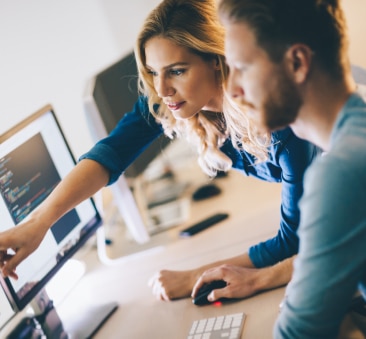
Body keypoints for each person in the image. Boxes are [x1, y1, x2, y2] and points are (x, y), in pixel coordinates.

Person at [0, 0, 318, 304]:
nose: (162, 89)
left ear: (217, 60)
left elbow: (294, 242)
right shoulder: (174, 101)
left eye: (177, 70)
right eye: (153, 72)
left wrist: (195, 276)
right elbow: (111, 153)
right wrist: (39, 223)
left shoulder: (277, 117)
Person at [217, 0, 366, 337]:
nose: (232, 89)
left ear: (298, 63)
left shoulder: (341, 172)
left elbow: (297, 334)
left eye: (243, 67)